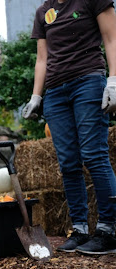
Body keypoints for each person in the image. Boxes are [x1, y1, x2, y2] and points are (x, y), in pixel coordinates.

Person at [23, 0, 116, 254]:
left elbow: (111, 38)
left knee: (94, 155)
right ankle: (80, 229)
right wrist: (36, 96)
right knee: (68, 163)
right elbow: (42, 58)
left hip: (87, 82)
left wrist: (114, 81)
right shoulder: (43, 12)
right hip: (55, 93)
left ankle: (109, 229)